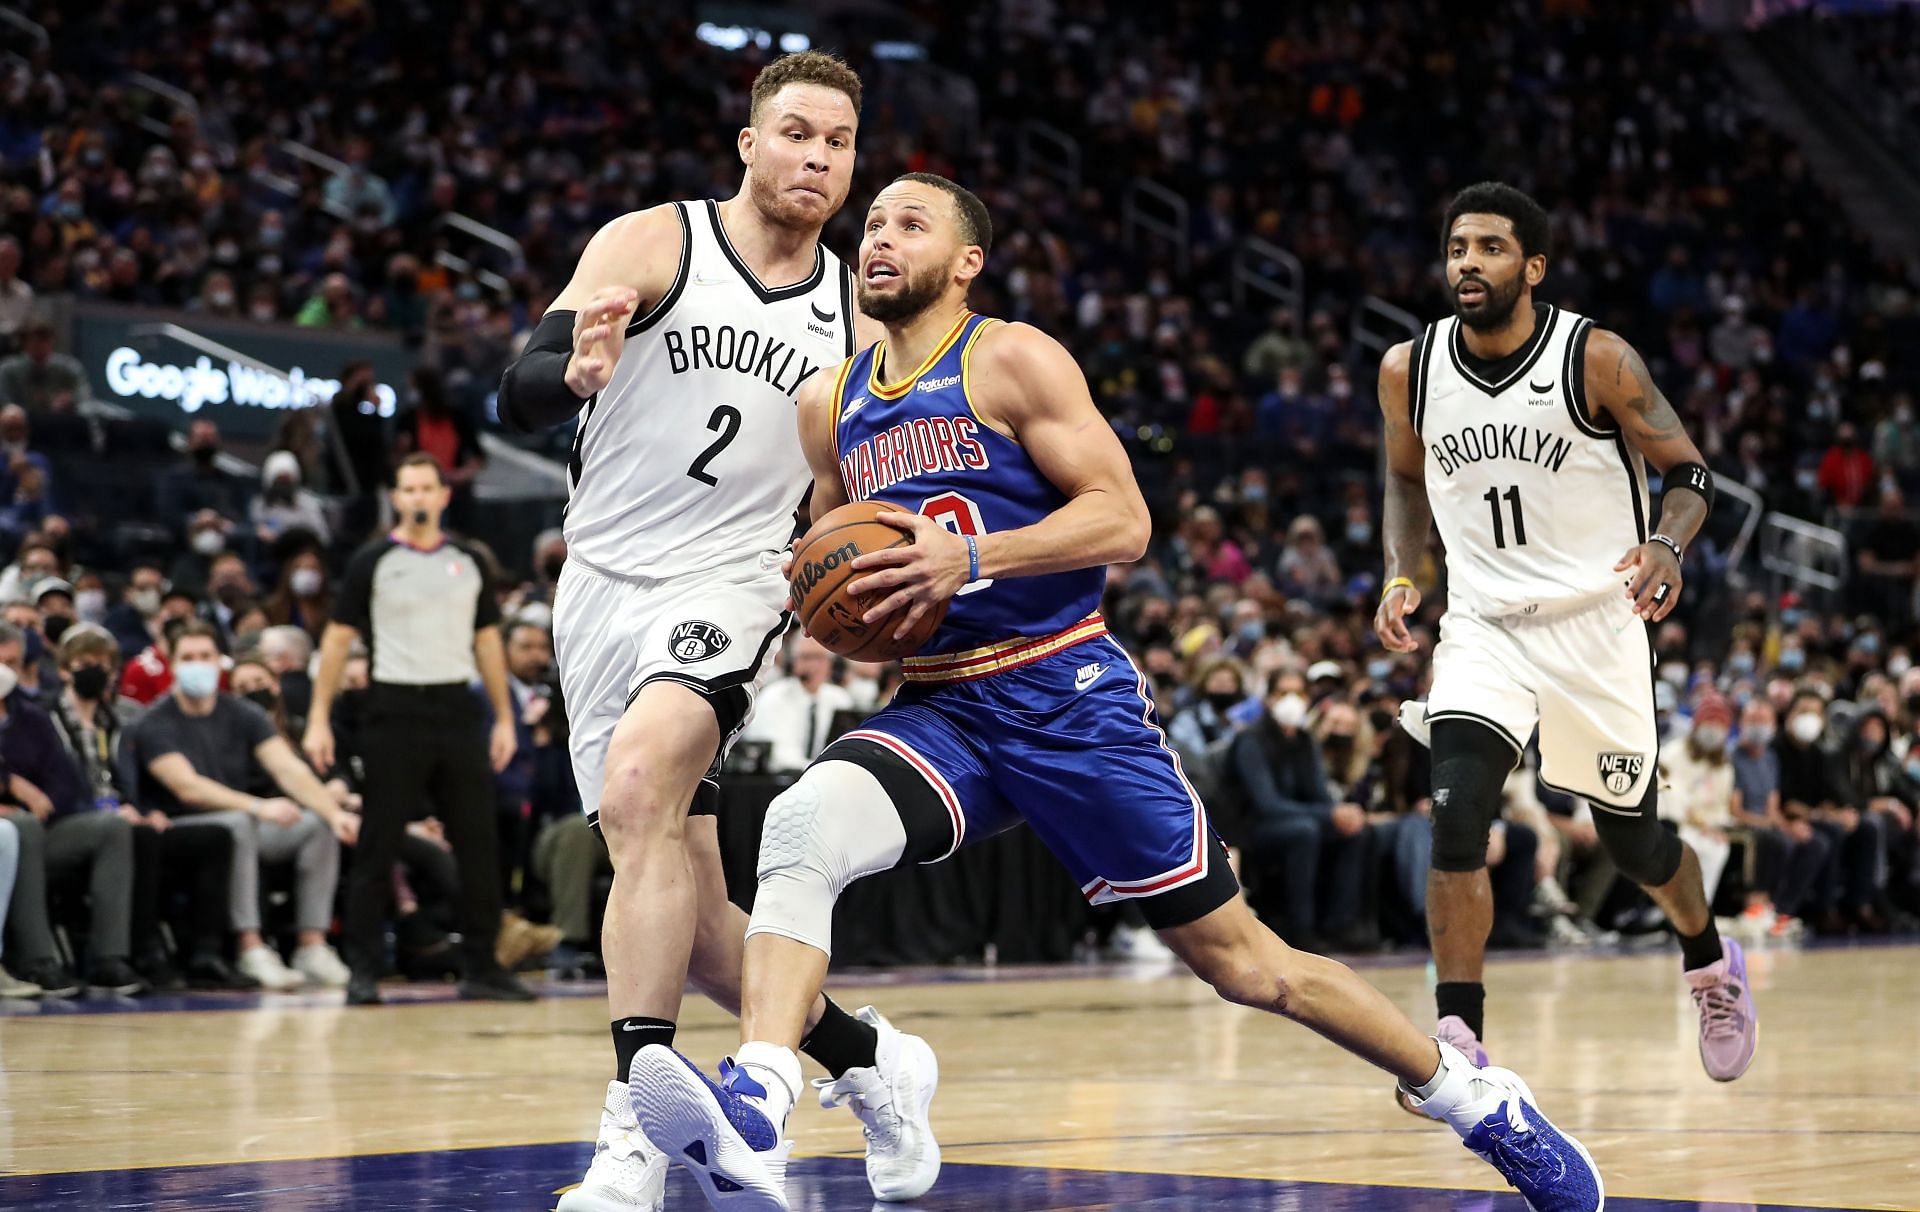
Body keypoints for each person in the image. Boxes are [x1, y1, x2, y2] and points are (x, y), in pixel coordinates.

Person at [632, 174, 1602, 1212]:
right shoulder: (831, 402)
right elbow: (844, 587)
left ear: (967, 262)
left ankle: (1475, 1101)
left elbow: (1124, 522)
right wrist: (852, 613)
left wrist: (970, 557)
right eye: (871, 224)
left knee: (1249, 968)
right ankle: (760, 1099)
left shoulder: (1012, 358)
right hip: (945, 707)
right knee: (802, 826)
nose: (879, 238)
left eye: (911, 225)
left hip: (1065, 694)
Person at [494, 51, 927, 1212]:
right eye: (797, 134)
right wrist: (574, 373)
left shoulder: (858, 313)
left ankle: (629, 1130)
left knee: (638, 792)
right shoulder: (656, 241)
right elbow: (517, 386)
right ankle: (872, 1061)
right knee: (686, 919)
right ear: (748, 141)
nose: (818, 158)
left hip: (734, 584)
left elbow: (857, 486)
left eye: (838, 142)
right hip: (599, 582)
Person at [1374, 182, 1755, 1100]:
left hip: (1597, 624)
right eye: (1457, 246)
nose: (1468, 262)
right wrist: (1399, 573)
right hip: (1483, 627)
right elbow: (1403, 479)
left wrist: (1668, 542)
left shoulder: (1598, 358)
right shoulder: (1408, 368)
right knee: (1458, 814)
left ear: (1533, 267)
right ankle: (1459, 1034)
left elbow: (1692, 470)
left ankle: (1709, 962)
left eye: (1492, 248)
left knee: (1636, 847)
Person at [302, 454, 531, 1005]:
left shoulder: (468, 560)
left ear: (443, 496)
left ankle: (483, 963)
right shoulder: (373, 560)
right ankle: (362, 967)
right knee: (378, 842)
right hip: (393, 710)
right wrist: (316, 718)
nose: (420, 497)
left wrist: (503, 716)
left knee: (478, 841)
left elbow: (487, 643)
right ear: (396, 497)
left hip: (456, 708)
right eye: (409, 489)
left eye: (429, 487)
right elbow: (336, 639)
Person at [127, 620, 358, 991]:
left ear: (220, 660)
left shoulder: (242, 713)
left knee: (315, 825)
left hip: (242, 823)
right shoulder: (154, 721)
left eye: (205, 656)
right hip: (181, 828)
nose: (197, 664)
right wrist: (257, 806)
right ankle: (250, 946)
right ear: (171, 662)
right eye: (188, 657)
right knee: (238, 823)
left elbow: (288, 768)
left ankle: (311, 945)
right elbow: (188, 788)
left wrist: (334, 813)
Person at [741, 634, 856, 774]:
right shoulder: (774, 697)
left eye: (819, 658)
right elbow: (779, 758)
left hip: (824, 778)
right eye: (806, 657)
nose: (813, 665)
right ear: (794, 662)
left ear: (830, 664)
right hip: (781, 780)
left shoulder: (840, 699)